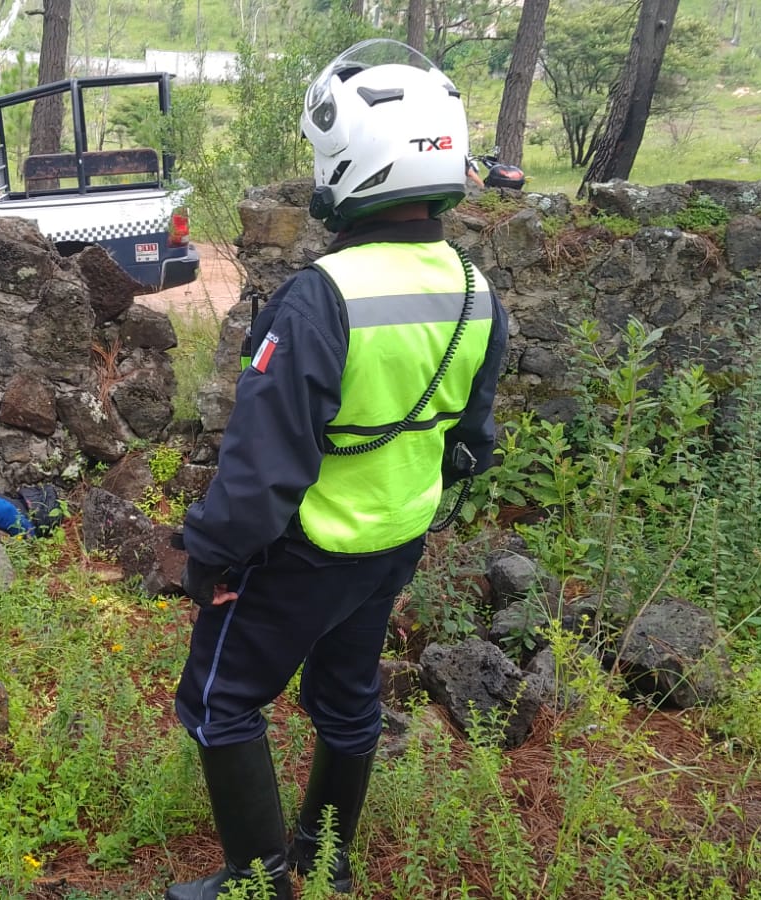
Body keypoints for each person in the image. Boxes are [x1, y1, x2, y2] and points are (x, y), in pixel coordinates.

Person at [165, 39, 509, 900]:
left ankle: (257, 881)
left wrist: (209, 556)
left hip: (305, 546)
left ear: (353, 165)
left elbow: (262, 466)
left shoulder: (321, 296)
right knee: (347, 697)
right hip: (395, 536)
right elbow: (471, 439)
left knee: (219, 701)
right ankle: (326, 860)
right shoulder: (474, 289)